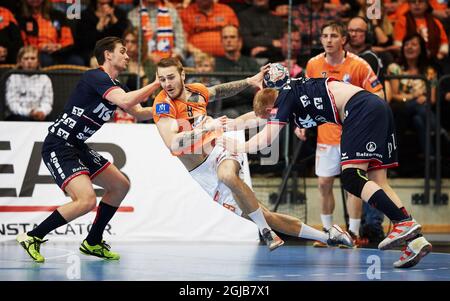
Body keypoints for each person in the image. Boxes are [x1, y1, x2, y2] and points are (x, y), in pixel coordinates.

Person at [219, 73, 432, 268]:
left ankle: (403, 222)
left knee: (351, 178)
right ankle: (415, 241)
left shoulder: (284, 96)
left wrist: (237, 147)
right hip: (376, 107)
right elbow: (253, 118)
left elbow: (265, 139)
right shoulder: (290, 98)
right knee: (379, 181)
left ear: (270, 109)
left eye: (269, 117)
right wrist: (222, 126)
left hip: (359, 110)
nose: (269, 120)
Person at [152, 57, 354, 251]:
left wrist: (249, 81)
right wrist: (206, 128)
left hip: (221, 146)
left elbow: (219, 90)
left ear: (182, 75)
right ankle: (328, 236)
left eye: (171, 77)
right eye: (162, 79)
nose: (167, 83)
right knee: (266, 215)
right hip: (202, 172)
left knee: (227, 175)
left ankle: (265, 231)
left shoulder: (195, 91)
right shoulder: (163, 105)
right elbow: (174, 144)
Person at [16, 37, 160, 263]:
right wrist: (158, 82)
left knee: (120, 185)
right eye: (122, 51)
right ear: (108, 55)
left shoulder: (118, 86)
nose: (127, 55)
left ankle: (93, 241)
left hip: (77, 147)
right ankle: (33, 236)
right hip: (59, 145)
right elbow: (124, 100)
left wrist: (170, 108)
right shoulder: (95, 76)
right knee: (86, 200)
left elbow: (140, 113)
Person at [302, 21, 385, 248]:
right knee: (323, 183)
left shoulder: (358, 65)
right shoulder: (313, 64)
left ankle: (353, 234)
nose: (328, 40)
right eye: (325, 36)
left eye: (334, 36)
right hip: (326, 134)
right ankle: (329, 233)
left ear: (343, 40)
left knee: (353, 184)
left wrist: (365, 123)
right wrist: (301, 123)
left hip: (354, 135)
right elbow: (305, 98)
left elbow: (379, 96)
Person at [5, 46, 53, 121]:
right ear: (20, 61)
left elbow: (47, 102)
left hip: (40, 116)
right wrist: (29, 113)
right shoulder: (13, 77)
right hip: (18, 116)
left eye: (33, 58)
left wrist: (42, 112)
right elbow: (12, 103)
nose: (29, 61)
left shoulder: (45, 78)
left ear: (38, 62)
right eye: (26, 58)